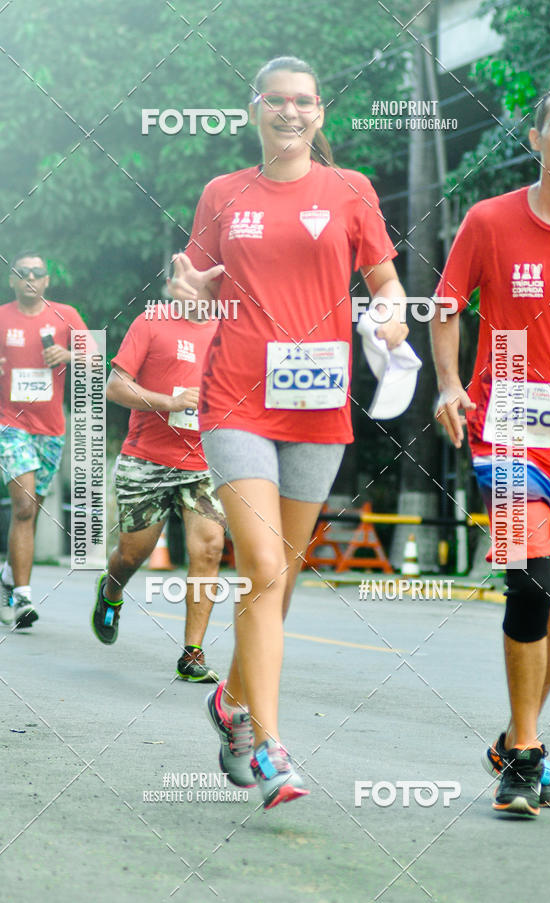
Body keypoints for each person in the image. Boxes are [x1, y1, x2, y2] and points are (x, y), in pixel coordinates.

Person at [169, 56, 408, 809]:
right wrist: (185, 288)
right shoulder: (223, 193)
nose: (291, 112)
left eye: (304, 101)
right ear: (255, 110)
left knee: (284, 576)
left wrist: (395, 308)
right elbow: (191, 285)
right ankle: (271, 748)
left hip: (319, 405)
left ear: (320, 114)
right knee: (263, 564)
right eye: (277, 101)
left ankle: (232, 700)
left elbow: (385, 281)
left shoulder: (351, 192)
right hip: (235, 398)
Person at [431, 75, 550, 816]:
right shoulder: (490, 221)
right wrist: (446, 383)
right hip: (506, 431)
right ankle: (526, 758)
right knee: (528, 583)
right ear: (534, 139)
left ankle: (513, 736)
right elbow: (445, 304)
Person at [91, 302, 225, 682]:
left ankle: (192, 653)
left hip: (204, 462)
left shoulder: (229, 327)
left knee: (210, 548)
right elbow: (114, 386)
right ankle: (111, 590)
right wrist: (169, 402)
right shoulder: (153, 320)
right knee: (133, 554)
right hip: (147, 459)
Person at [0, 251, 88, 628]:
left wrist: (69, 353)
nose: (30, 278)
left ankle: (8, 574)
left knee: (30, 509)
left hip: (50, 427)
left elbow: (98, 358)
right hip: (8, 424)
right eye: (22, 273)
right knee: (23, 506)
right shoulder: (2, 317)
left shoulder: (65, 316)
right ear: (12, 280)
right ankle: (22, 598)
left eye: (37, 272)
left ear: (47, 280)